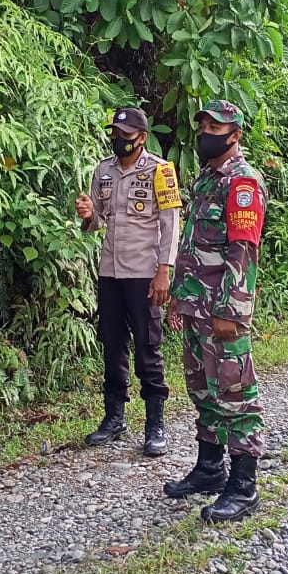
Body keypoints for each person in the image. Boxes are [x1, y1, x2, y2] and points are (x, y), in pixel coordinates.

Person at [164, 100, 268, 522]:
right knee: (202, 389)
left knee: (235, 392)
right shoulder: (206, 179)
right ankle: (209, 468)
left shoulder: (242, 182)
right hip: (196, 304)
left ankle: (243, 486)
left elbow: (243, 251)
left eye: (215, 125)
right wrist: (178, 296)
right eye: (203, 123)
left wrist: (231, 309)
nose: (206, 130)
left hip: (223, 308)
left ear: (235, 134)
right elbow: (192, 246)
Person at [75, 106, 181, 455]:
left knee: (148, 348)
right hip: (110, 272)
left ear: (142, 138)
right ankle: (114, 418)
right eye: (115, 135)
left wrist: (164, 270)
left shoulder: (161, 171)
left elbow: (170, 224)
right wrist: (89, 216)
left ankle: (155, 425)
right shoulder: (103, 171)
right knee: (112, 344)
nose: (118, 141)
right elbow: (98, 222)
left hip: (144, 273)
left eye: (125, 136)